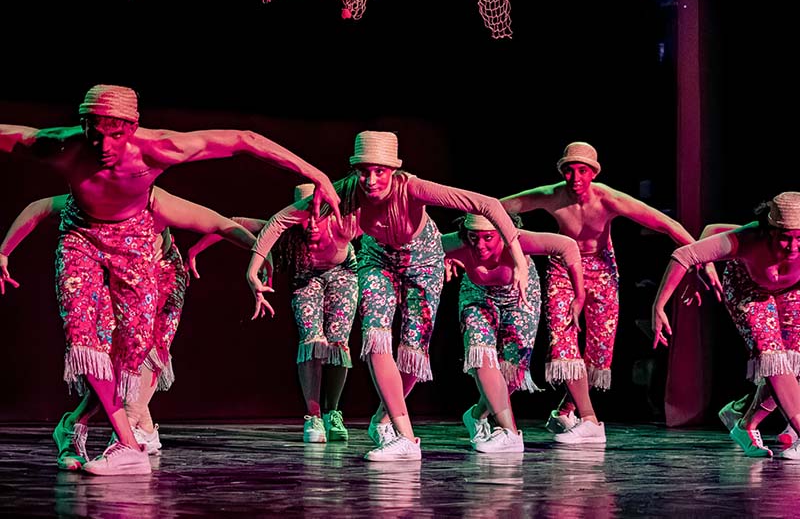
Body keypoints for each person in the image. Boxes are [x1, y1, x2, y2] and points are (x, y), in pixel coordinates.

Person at [0, 84, 339, 475]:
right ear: (83, 124)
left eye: (116, 134)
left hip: (139, 253)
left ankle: (78, 427)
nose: (105, 145)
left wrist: (315, 175)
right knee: (85, 340)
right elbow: (34, 185)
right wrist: (4, 249)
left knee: (131, 350)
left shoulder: (157, 154)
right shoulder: (61, 145)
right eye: (96, 133)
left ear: (134, 127)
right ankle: (127, 443)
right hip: (80, 239)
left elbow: (242, 145)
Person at [248, 131, 529, 461]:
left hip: (423, 259)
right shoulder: (347, 190)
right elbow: (283, 218)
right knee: (375, 338)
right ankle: (405, 438)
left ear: (392, 171)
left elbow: (487, 205)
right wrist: (254, 267)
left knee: (412, 354)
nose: (370, 180)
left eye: (379, 171)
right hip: (377, 258)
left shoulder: (413, 188)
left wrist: (520, 262)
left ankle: (384, 417)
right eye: (364, 170)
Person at [0, 187, 258, 470]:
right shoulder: (95, 200)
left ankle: (116, 429)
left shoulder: (156, 203)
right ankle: (105, 429)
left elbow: (222, 222)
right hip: (121, 279)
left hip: (163, 278)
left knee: (146, 354)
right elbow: (41, 206)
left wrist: (259, 260)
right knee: (108, 359)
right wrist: (4, 251)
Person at [500, 141, 714, 444]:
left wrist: (701, 258)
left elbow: (666, 224)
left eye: (582, 171)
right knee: (563, 343)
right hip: (562, 268)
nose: (575, 178)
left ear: (593, 173)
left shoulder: (609, 199)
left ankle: (567, 409)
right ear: (562, 172)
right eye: (569, 171)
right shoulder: (552, 196)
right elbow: (494, 207)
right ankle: (590, 420)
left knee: (599, 350)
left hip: (602, 270)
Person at [187, 183, 359, 443]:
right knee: (312, 341)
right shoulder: (283, 229)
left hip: (344, 274)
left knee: (337, 343)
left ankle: (332, 413)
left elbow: (379, 231)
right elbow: (232, 223)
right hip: (306, 278)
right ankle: (313, 416)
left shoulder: (342, 223)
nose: (311, 224)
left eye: (317, 217)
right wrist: (196, 250)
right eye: (305, 218)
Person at [652, 192, 800, 459]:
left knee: (793, 361)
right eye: (785, 238)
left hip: (791, 291)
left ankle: (744, 421)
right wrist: (659, 305)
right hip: (747, 288)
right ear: (769, 231)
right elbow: (684, 255)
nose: (792, 247)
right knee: (772, 354)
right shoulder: (747, 239)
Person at [442, 213, 585, 452]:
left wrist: (579, 296)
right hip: (477, 295)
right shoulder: (457, 242)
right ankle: (508, 431)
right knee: (481, 353)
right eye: (473, 238)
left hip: (519, 295)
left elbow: (567, 246)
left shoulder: (520, 240)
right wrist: (446, 257)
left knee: (513, 371)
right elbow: (417, 248)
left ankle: (476, 415)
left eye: (488, 238)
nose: (479, 245)